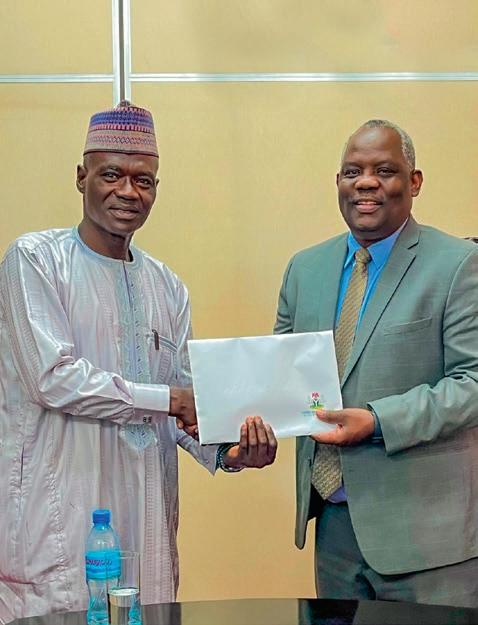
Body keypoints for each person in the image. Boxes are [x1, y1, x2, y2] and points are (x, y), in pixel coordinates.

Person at [0, 102, 277, 621]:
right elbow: (52, 379)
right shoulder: (34, 261)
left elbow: (187, 403)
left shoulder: (167, 286)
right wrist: (170, 400)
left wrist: (230, 451)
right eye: (111, 175)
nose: (128, 191)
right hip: (58, 519)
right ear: (81, 177)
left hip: (148, 519)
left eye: (143, 180)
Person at [274, 119, 478, 606]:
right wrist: (234, 432)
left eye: (384, 170)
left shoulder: (458, 264)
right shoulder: (305, 268)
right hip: (334, 533)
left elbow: (471, 383)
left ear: (414, 181)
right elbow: (279, 376)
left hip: (428, 540)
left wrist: (378, 421)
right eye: (353, 172)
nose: (365, 182)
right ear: (338, 183)